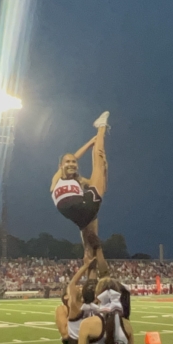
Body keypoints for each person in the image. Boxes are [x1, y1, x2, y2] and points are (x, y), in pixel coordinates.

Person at [51, 113, 112, 278]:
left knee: (99, 163)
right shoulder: (57, 178)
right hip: (77, 212)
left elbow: (100, 187)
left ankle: (91, 285)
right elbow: (75, 156)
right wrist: (92, 142)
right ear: (61, 165)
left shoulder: (80, 181)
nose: (71, 164)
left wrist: (104, 170)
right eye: (67, 162)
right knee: (90, 239)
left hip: (81, 210)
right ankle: (101, 128)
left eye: (74, 163)